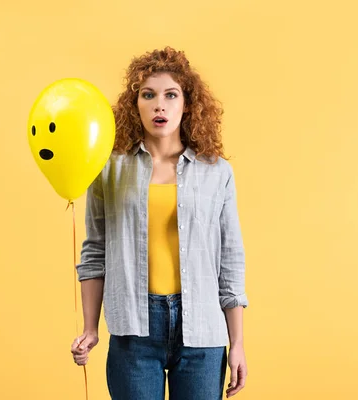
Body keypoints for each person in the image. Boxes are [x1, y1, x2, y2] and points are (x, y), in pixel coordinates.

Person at [70, 46, 248, 399]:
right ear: (134, 104)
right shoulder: (108, 169)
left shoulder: (217, 173)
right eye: (148, 95)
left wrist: (237, 343)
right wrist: (90, 329)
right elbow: (94, 253)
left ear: (188, 103)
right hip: (133, 328)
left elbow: (230, 260)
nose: (159, 105)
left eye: (171, 94)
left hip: (202, 329)